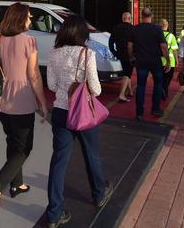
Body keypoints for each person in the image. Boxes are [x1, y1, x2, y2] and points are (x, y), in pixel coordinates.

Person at [46, 16, 112, 228]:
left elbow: (52, 85)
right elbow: (96, 89)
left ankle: (54, 214)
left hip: (61, 112)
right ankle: (99, 194)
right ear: (82, 34)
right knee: (91, 155)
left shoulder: (53, 53)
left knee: (58, 162)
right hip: (83, 113)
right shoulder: (87, 54)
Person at [0, 2, 48, 217]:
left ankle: (17, 184)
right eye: (29, 16)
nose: (30, 20)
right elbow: (34, 75)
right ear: (21, 18)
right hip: (21, 100)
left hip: (0, 99)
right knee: (23, 148)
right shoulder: (29, 41)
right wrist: (42, 103)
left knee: (13, 140)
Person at [127, 8, 170, 120]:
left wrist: (131, 57)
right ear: (152, 15)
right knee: (158, 84)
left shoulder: (135, 29)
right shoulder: (157, 29)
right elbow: (163, 46)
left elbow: (130, 45)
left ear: (141, 15)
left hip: (141, 61)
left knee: (141, 86)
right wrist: (168, 61)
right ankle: (155, 108)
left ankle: (139, 112)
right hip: (155, 61)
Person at [108, 12, 134, 102]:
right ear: (130, 19)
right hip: (130, 55)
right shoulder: (132, 28)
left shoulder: (116, 28)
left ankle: (130, 91)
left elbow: (110, 42)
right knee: (127, 74)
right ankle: (122, 94)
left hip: (120, 54)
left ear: (123, 19)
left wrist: (115, 53)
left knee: (127, 72)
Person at [160, 19, 178, 100]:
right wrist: (177, 60)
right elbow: (174, 50)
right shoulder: (171, 36)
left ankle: (163, 91)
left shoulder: (157, 35)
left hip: (159, 61)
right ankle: (164, 90)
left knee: (161, 77)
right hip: (170, 61)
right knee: (168, 78)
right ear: (167, 26)